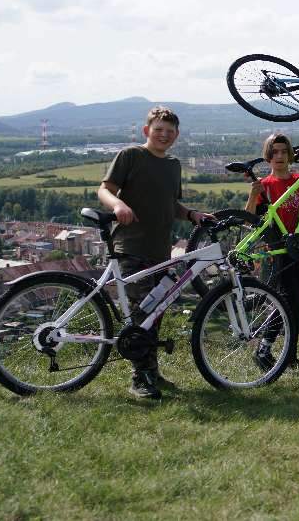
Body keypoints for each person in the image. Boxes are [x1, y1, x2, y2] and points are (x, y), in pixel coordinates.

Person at [98, 105, 212, 399]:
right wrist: (118, 205)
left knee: (155, 314)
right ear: (146, 131)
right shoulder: (131, 155)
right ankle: (139, 378)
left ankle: (151, 371)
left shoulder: (173, 165)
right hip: (130, 247)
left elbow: (170, 204)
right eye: (158, 130)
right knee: (143, 313)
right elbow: (104, 189)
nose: (164, 135)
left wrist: (192, 215)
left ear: (176, 135)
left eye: (169, 131)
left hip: (160, 251)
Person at [244, 132, 299, 370]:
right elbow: (249, 220)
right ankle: (265, 350)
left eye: (283, 151)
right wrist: (253, 195)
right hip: (278, 252)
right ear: (268, 156)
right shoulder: (265, 186)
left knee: (296, 304)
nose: (279, 156)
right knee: (284, 301)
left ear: (290, 155)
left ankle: (288, 356)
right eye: (274, 152)